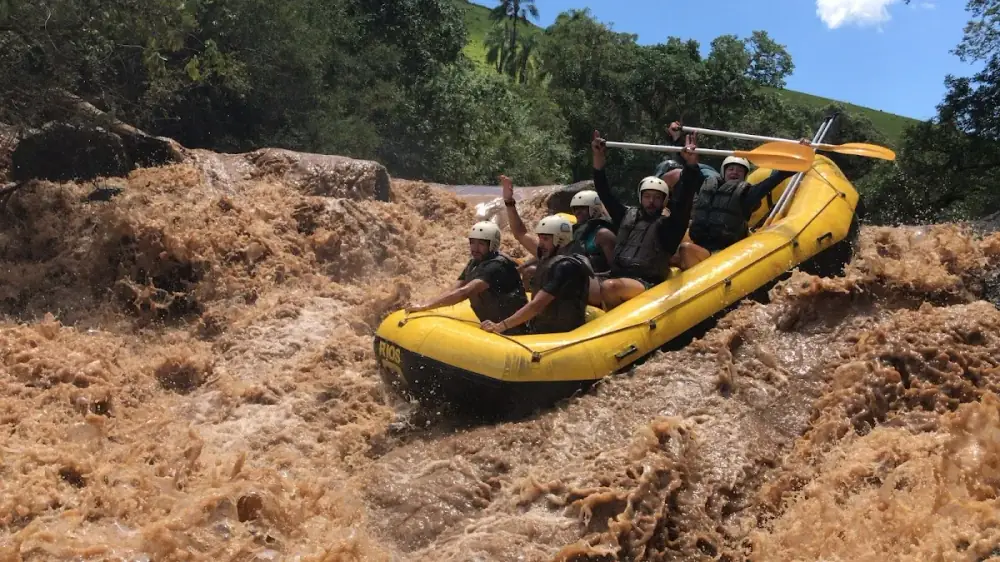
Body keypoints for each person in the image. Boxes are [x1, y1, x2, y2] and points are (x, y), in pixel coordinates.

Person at [591, 130, 705, 309]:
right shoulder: (625, 216)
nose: (651, 202)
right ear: (640, 197)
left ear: (664, 200)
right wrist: (598, 157)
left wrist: (690, 164)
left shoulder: (669, 227)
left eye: (657, 198)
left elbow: (684, 199)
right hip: (615, 274)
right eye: (647, 197)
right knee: (579, 280)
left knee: (609, 287)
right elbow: (604, 192)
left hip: (645, 283)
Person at [677, 139, 812, 268]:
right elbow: (691, 173)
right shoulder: (707, 185)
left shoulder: (747, 195)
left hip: (724, 253)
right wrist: (687, 156)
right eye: (731, 169)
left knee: (685, 248)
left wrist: (799, 154)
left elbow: (775, 179)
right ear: (723, 172)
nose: (735, 172)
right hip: (701, 244)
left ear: (745, 175)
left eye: (739, 170)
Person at [500, 175, 608, 307]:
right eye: (576, 209)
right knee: (529, 270)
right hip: (570, 276)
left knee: (540, 272)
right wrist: (509, 202)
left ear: (595, 209)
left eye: (583, 208)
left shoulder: (604, 234)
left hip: (592, 283)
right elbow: (521, 234)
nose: (578, 212)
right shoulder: (567, 236)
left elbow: (615, 267)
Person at [406, 221, 529, 334]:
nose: (475, 248)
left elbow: (465, 292)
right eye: (472, 242)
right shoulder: (474, 263)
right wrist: (425, 304)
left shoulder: (497, 266)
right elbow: (455, 288)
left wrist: (426, 307)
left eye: (481, 244)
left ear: (493, 245)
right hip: (492, 325)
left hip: (514, 330)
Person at [481, 215, 593, 335]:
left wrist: (500, 326)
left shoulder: (565, 267)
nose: (540, 244)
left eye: (545, 239)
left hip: (559, 334)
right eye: (540, 239)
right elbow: (520, 233)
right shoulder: (551, 258)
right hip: (544, 325)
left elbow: (537, 305)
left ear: (560, 239)